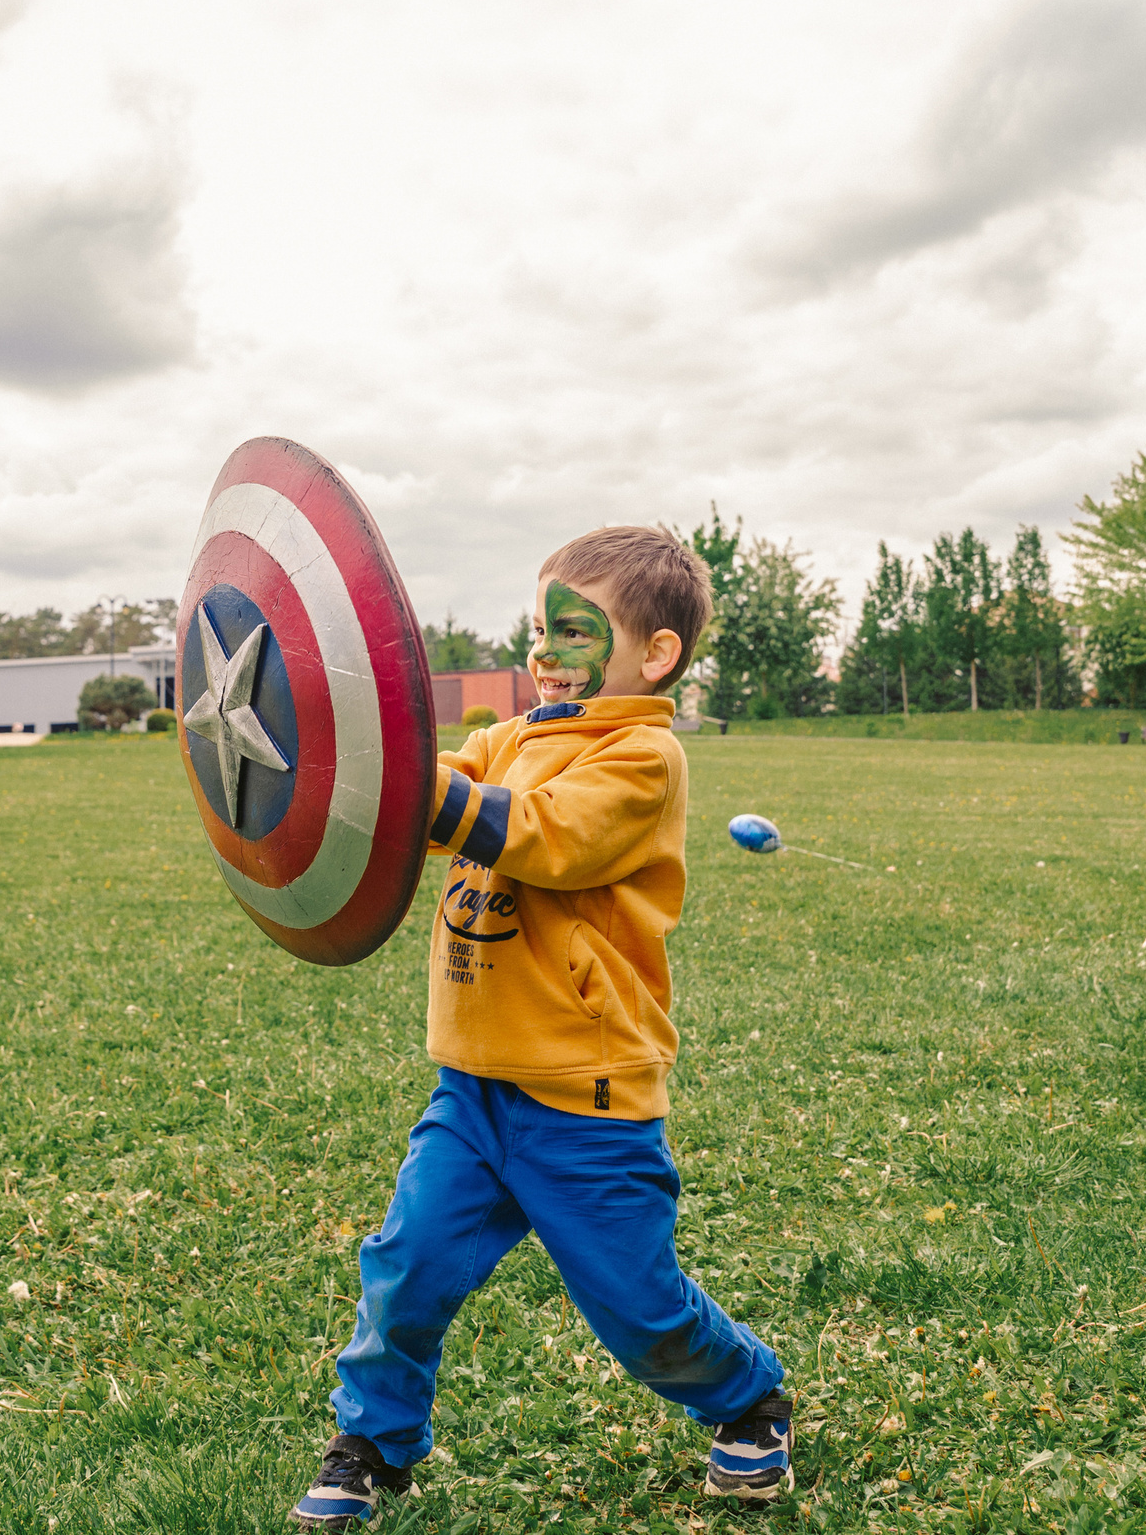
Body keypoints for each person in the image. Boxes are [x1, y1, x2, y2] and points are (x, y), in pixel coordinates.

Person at [291, 528, 792, 1530]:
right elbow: (429, 787)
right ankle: (370, 1443)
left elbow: (539, 836)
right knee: (406, 1267)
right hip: (472, 1090)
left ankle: (749, 1400)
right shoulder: (511, 737)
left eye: (575, 631)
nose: (546, 652)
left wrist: (406, 786)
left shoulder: (641, 757)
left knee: (637, 1308)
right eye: (538, 629)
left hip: (585, 1099)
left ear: (654, 654)